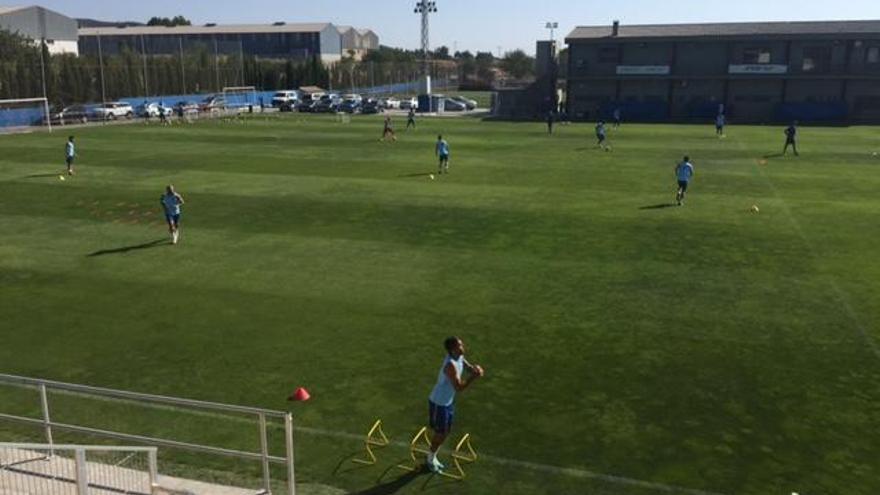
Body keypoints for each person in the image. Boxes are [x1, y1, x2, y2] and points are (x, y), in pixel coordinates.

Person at [426, 336, 484, 473]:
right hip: (438, 403)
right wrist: (473, 377)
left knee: (446, 431)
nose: (462, 347)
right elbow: (459, 388)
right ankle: (430, 458)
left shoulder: (459, 357)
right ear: (452, 349)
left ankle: (432, 455)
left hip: (447, 402)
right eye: (460, 346)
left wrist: (475, 369)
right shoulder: (450, 365)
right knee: (440, 433)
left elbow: (467, 367)